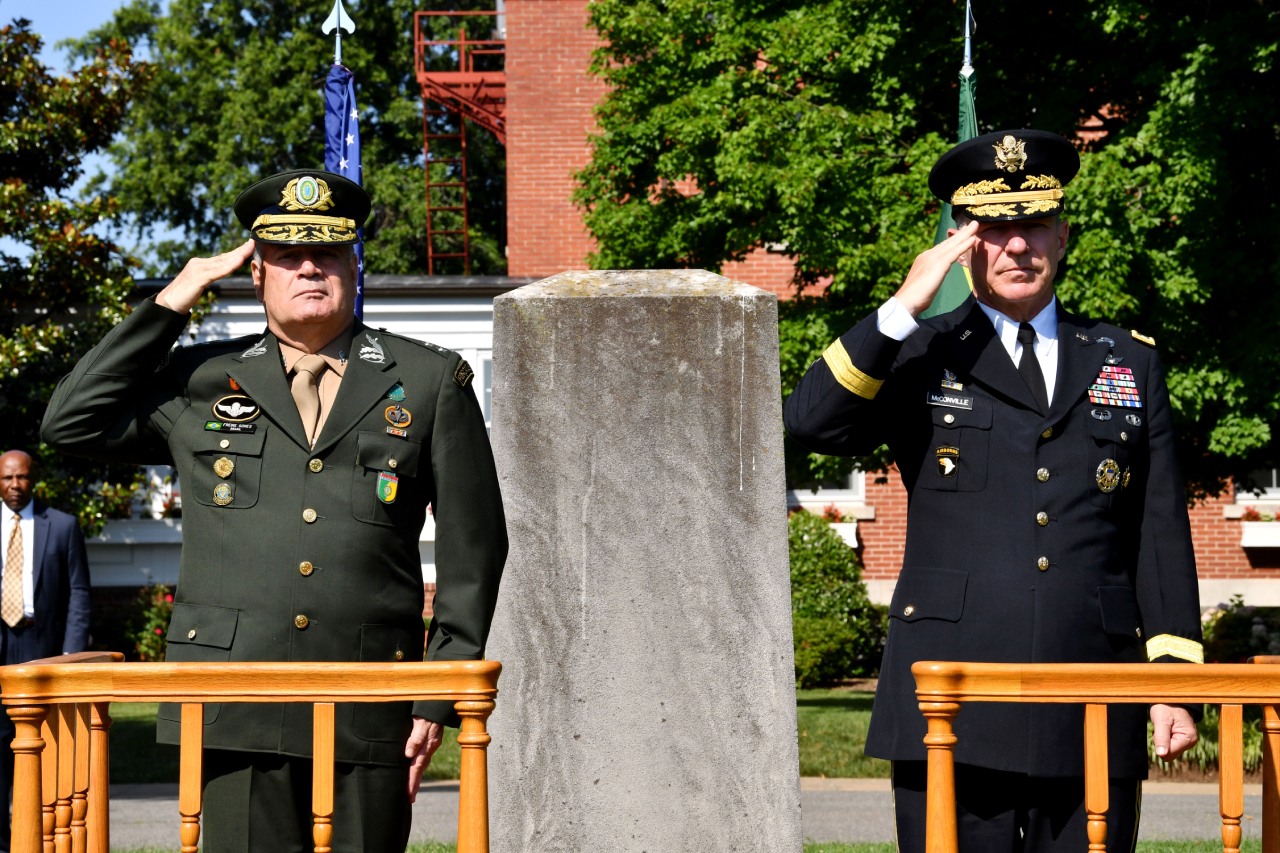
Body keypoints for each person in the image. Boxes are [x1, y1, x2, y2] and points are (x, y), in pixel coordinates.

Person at [40, 169, 507, 852]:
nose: (310, 268)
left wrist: (434, 692)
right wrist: (174, 299)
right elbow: (70, 422)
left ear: (354, 264)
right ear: (256, 273)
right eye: (289, 256)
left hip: (371, 695)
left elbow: (475, 546)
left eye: (329, 254)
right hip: (232, 701)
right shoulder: (201, 380)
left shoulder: (428, 381)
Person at [784, 129, 1203, 853]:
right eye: (994, 228)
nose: (1017, 246)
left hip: (1091, 693)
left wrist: (1170, 677)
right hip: (953, 694)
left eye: (1033, 224)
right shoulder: (918, 350)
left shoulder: (1127, 360)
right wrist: (901, 305)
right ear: (963, 242)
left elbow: (1156, 530)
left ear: (1062, 235)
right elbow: (810, 422)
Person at [0, 449, 92, 853]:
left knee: (46, 745)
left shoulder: (62, 526)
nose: (15, 486)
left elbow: (79, 594)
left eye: (21, 478)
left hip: (44, 648)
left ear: (33, 479)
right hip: (1, 646)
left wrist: (70, 658)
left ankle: (41, 838)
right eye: (7, 478)